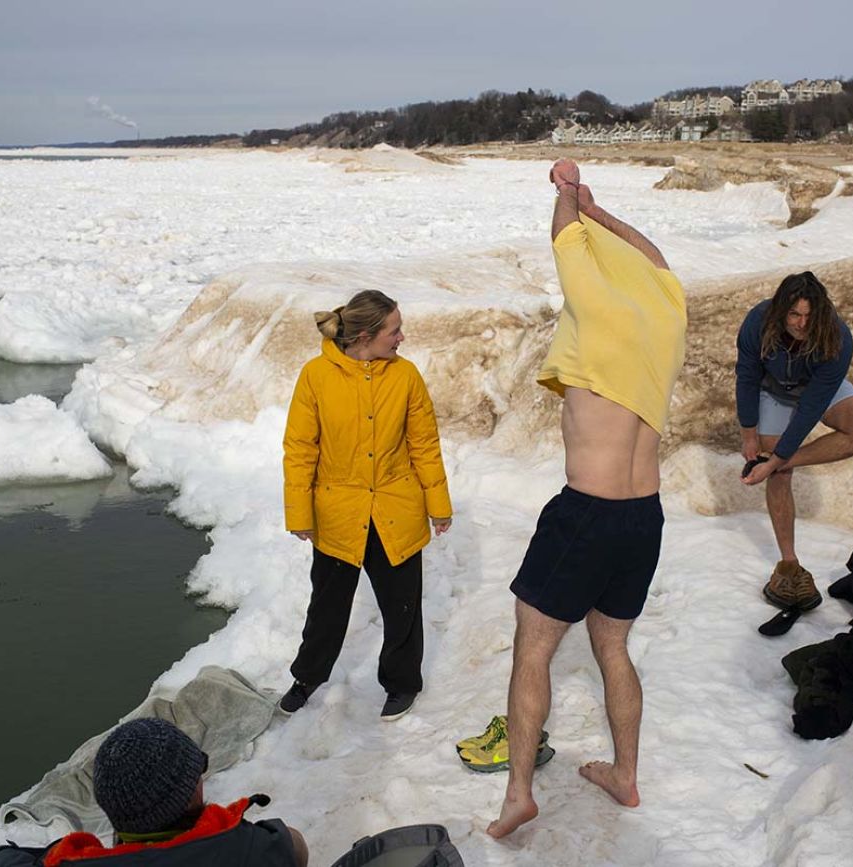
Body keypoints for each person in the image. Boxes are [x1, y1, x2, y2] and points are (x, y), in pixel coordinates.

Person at [488, 159, 686, 838]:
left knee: (533, 649)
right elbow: (654, 258)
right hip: (644, 515)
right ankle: (625, 774)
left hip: (586, 512)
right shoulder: (666, 312)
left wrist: (567, 194)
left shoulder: (593, 311)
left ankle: (518, 791)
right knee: (613, 647)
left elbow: (562, 240)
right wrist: (601, 212)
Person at [280, 290, 453, 720]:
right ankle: (307, 678)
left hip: (397, 509)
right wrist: (299, 512)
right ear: (364, 335)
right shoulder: (316, 376)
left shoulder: (406, 376)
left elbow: (424, 445)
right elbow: (300, 449)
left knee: (403, 609)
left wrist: (438, 504)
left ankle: (401, 684)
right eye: (394, 330)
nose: (401, 337)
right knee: (327, 607)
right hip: (339, 514)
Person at [735, 271, 853, 611]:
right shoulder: (758, 320)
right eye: (794, 315)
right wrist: (748, 432)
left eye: (809, 316)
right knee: (780, 473)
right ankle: (789, 563)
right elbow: (747, 374)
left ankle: (777, 463)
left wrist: (777, 457)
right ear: (781, 310)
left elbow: (813, 405)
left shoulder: (837, 337)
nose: (801, 324)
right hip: (771, 389)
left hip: (816, 389)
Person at [44, 718, 308, 865]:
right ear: (188, 795)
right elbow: (295, 848)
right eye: (199, 770)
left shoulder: (62, 861)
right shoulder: (251, 850)